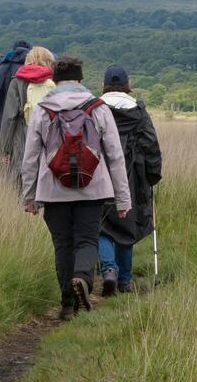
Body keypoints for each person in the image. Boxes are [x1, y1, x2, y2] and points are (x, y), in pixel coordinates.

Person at [20, 56, 131, 320]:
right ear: (80, 79)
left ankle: (67, 305)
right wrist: (122, 199)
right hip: (93, 189)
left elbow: (30, 157)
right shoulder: (97, 107)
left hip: (52, 190)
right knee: (87, 239)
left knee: (62, 245)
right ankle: (82, 279)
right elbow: (115, 155)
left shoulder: (43, 109)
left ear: (55, 80)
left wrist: (29, 196)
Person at [94, 66, 161, 297]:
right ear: (126, 84)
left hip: (99, 173)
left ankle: (108, 269)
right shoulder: (138, 111)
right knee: (127, 223)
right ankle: (124, 281)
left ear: (104, 84)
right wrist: (153, 174)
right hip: (133, 174)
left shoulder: (93, 108)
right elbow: (150, 143)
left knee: (102, 224)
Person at [0, 47, 57, 174]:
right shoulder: (53, 82)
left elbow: (10, 117)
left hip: (23, 136)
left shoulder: (17, 81)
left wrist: (5, 149)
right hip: (50, 138)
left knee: (22, 176)